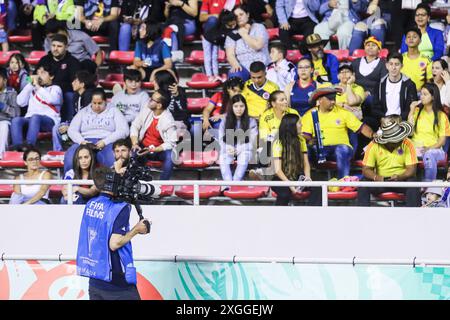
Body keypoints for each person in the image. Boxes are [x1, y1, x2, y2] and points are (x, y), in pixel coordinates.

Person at [76, 166, 150, 300]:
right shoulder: (120, 207)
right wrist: (136, 230)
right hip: (117, 284)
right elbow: (114, 244)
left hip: (95, 280)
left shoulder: (90, 204)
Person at [302, 86, 375, 179]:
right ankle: (308, 181)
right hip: (320, 150)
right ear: (320, 100)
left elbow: (362, 128)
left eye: (334, 99)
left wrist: (373, 135)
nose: (333, 101)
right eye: (330, 99)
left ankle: (343, 182)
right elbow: (305, 136)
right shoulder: (310, 114)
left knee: (341, 149)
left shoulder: (343, 112)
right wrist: (309, 141)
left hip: (341, 148)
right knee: (305, 149)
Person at [357, 116, 421, 207]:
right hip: (380, 181)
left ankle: (414, 215)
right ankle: (363, 216)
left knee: (413, 183)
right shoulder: (373, 145)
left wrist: (400, 177)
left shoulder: (407, 143)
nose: (400, 139)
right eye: (396, 138)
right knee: (363, 184)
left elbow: (412, 169)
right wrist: (376, 177)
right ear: (387, 141)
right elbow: (366, 169)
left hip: (401, 180)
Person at [65, 88, 129, 173]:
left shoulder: (114, 110)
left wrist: (105, 141)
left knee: (112, 161)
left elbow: (124, 130)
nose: (96, 106)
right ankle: (70, 184)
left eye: (100, 103)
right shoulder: (83, 112)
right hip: (85, 142)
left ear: (105, 101)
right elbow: (72, 130)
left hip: (107, 142)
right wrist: (82, 141)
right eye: (94, 103)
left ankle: (113, 184)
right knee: (70, 159)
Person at [271, 113, 321, 206]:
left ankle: (312, 214)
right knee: (284, 194)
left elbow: (306, 163)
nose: (301, 125)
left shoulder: (301, 140)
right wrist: (290, 185)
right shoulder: (278, 142)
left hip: (297, 176)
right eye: (299, 123)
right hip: (280, 178)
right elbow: (277, 170)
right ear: (292, 126)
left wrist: (307, 177)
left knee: (318, 188)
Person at [250, 90, 300, 180]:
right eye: (282, 100)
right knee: (263, 149)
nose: (285, 101)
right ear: (273, 103)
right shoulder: (266, 115)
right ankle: (264, 171)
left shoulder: (293, 113)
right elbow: (264, 137)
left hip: (291, 144)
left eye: (285, 99)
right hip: (274, 145)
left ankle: (266, 172)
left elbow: (298, 132)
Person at [12, 64, 62, 151]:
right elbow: (20, 102)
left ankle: (29, 146)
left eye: (42, 73)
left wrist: (38, 87)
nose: (39, 76)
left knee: (35, 117)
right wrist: (30, 86)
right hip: (30, 119)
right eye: (38, 73)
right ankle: (18, 148)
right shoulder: (32, 88)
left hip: (49, 120)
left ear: (51, 76)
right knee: (16, 120)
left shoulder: (56, 88)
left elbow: (51, 100)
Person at [130, 90, 177, 180]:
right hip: (143, 147)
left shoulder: (168, 120)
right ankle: (132, 183)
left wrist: (154, 149)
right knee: (131, 153)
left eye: (152, 100)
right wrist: (135, 143)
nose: (149, 100)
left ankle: (162, 185)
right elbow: (135, 125)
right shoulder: (146, 109)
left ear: (159, 106)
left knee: (171, 156)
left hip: (158, 150)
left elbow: (171, 143)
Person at [408, 83, 447, 181]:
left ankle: (428, 185)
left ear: (433, 97)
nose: (422, 97)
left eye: (425, 94)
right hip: (416, 148)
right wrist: (412, 110)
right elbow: (409, 132)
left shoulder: (441, 115)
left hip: (434, 150)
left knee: (429, 155)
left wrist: (428, 148)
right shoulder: (417, 111)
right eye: (421, 94)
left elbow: (442, 141)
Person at [37, 33, 81, 122]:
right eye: (53, 45)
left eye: (59, 46)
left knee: (70, 95)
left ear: (66, 47)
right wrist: (31, 79)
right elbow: (31, 78)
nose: (55, 49)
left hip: (64, 93)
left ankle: (69, 122)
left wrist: (53, 85)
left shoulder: (73, 62)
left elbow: (75, 84)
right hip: (44, 92)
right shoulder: (44, 60)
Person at [53, 70, 96, 152]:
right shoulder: (76, 95)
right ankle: (58, 152)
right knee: (57, 128)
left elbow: (88, 119)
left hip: (88, 126)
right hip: (76, 123)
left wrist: (70, 127)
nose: (72, 83)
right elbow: (75, 115)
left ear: (82, 84)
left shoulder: (89, 96)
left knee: (63, 129)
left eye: (75, 81)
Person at [225, 5, 270, 81]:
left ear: (248, 15)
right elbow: (230, 55)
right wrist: (235, 64)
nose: (239, 17)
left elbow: (258, 46)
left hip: (261, 65)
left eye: (241, 14)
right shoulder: (232, 34)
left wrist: (244, 34)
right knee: (235, 75)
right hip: (243, 67)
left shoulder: (259, 27)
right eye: (236, 16)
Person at [219, 94, 257, 182]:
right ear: (231, 107)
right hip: (229, 148)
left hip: (245, 148)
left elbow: (253, 141)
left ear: (245, 107)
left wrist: (240, 148)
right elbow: (221, 138)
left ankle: (236, 182)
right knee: (223, 157)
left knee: (244, 156)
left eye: (241, 106)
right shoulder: (225, 120)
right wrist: (227, 147)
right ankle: (228, 184)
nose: (239, 109)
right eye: (236, 106)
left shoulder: (251, 121)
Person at [372, 52, 418, 122]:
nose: (393, 68)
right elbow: (375, 107)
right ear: (386, 65)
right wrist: (383, 119)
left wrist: (398, 120)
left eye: (397, 64)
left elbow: (411, 108)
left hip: (402, 121)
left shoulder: (410, 85)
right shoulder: (379, 84)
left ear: (402, 66)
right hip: (384, 121)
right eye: (391, 64)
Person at [335, 63, 366, 152]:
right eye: (341, 72)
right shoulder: (332, 88)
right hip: (336, 120)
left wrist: (349, 85)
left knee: (352, 125)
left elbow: (352, 101)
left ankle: (351, 155)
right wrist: (343, 105)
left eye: (347, 71)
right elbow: (323, 103)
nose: (344, 74)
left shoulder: (358, 88)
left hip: (352, 121)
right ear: (337, 76)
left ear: (353, 75)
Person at [201, 8, 237, 82]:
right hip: (207, 39)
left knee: (215, 57)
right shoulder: (221, 27)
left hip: (215, 40)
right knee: (208, 57)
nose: (233, 25)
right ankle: (209, 76)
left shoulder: (228, 29)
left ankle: (216, 75)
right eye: (231, 23)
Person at [154, 70, 189, 139]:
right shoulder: (158, 93)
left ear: (161, 81)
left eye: (155, 80)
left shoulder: (180, 90)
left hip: (179, 122)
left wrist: (177, 96)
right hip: (163, 122)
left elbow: (183, 109)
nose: (153, 83)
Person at [401, 26, 433, 91]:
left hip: (419, 94)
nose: (411, 39)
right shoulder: (400, 59)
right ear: (405, 41)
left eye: (414, 37)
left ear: (420, 41)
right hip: (401, 93)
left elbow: (429, 82)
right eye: (408, 37)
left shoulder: (426, 60)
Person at [0, 67, 20, 157]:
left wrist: (3, 106)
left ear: (4, 80)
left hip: (4, 121)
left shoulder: (11, 92)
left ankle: (0, 157)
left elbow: (16, 113)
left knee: (3, 126)